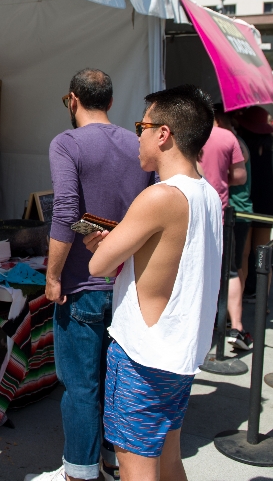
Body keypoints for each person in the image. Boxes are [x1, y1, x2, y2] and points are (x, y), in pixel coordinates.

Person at [84, 85, 222, 481]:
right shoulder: (208, 194)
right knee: (169, 460)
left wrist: (105, 244)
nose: (137, 137)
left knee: (136, 466)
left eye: (141, 127)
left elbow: (98, 264)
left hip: (143, 357)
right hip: (178, 353)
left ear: (163, 134)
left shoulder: (159, 196)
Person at [27, 69, 154, 481]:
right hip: (127, 284)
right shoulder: (137, 143)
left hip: (82, 287)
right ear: (111, 102)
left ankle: (81, 472)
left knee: (82, 388)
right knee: (114, 382)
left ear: (72, 100)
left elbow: (65, 210)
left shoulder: (66, 142)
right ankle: (113, 460)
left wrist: (52, 277)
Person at [215, 106, 253, 350]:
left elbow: (240, 174)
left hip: (233, 211)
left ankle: (230, 321)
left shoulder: (229, 140)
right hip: (232, 211)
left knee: (234, 266)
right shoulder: (231, 139)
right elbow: (240, 174)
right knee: (235, 267)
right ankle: (233, 323)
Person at [236, 106, 273, 304]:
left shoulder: (242, 148)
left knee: (244, 253)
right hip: (267, 204)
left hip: (248, 203)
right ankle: (262, 301)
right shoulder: (270, 148)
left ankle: (241, 295)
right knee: (264, 253)